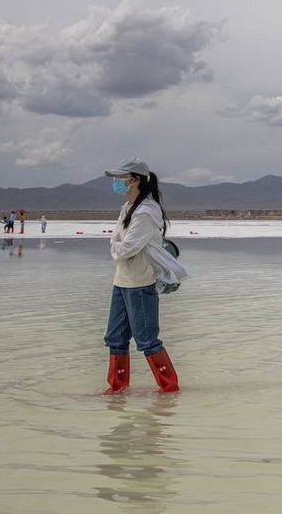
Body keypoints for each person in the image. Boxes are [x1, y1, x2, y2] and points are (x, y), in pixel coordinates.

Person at [102, 158, 180, 393]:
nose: (117, 182)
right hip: (122, 281)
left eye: (121, 178)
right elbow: (116, 242)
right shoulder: (127, 208)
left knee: (147, 340)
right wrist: (117, 245)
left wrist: (117, 245)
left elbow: (125, 248)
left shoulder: (146, 212)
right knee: (115, 338)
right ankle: (117, 389)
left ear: (134, 180)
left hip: (140, 283)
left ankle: (169, 389)